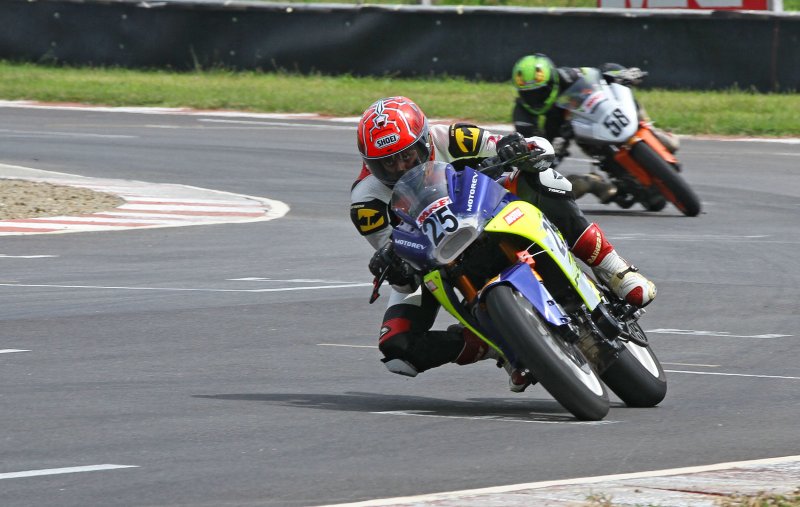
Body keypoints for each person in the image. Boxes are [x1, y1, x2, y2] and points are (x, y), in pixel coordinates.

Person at [349, 96, 656, 391]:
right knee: (397, 347)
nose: (401, 167)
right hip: (434, 256)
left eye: (407, 155)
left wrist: (518, 147)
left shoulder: (454, 138)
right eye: (388, 164)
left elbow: (535, 149)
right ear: (370, 165)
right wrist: (392, 267)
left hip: (487, 209)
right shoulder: (366, 203)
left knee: (542, 177)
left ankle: (614, 269)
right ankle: (497, 346)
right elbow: (401, 274)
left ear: (425, 141)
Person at [510, 53, 679, 202]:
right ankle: (594, 183)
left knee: (671, 142)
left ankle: (649, 128)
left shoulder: (567, 75)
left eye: (540, 91)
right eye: (528, 93)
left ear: (552, 80)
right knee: (538, 185)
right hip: (557, 133)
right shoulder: (522, 114)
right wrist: (552, 149)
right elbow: (528, 157)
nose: (534, 97)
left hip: (589, 115)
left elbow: (598, 73)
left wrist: (621, 75)